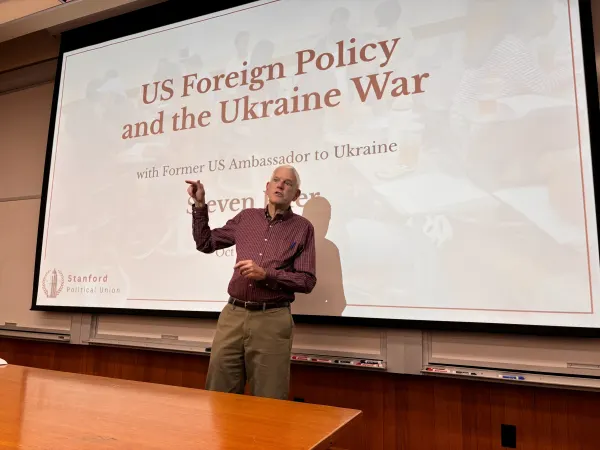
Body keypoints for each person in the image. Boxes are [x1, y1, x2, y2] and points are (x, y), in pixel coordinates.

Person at [185, 165, 316, 400]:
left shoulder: (303, 228)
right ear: (267, 187)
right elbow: (205, 243)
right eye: (276, 180)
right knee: (219, 395)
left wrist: (267, 275)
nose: (280, 185)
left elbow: (306, 281)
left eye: (288, 183)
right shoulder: (246, 218)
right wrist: (199, 206)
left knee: (269, 399)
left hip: (272, 319)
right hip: (233, 315)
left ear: (296, 195)